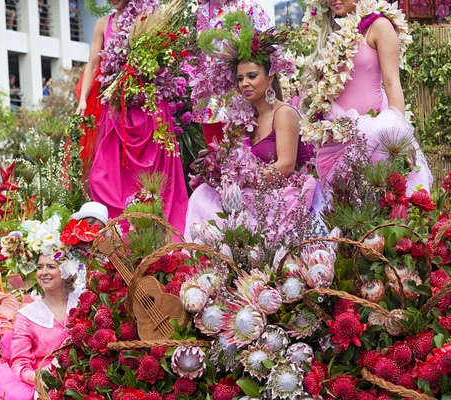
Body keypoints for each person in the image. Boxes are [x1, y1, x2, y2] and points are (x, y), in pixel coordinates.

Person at [185, 12, 322, 240]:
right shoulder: (244, 118)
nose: (244, 84)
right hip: (249, 192)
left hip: (279, 194)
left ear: (269, 77)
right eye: (239, 79)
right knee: (202, 193)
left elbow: (286, 166)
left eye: (251, 76)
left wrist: (242, 180)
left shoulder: (284, 113)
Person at [75, 0, 188, 236]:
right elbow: (93, 64)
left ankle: (157, 234)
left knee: (155, 179)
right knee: (101, 176)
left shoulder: (151, 16)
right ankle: (117, 234)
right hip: (117, 110)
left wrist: (142, 67)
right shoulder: (101, 24)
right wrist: (83, 99)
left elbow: (163, 64)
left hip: (150, 110)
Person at [301, 0, 432, 195]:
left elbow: (392, 83)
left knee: (382, 211)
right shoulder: (331, 33)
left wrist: (398, 140)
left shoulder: (378, 25)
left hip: (374, 137)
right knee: (343, 216)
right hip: (335, 140)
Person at [0, 249, 82, 399]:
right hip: (45, 385)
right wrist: (40, 379)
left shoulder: (83, 302)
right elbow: (19, 363)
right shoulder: (27, 316)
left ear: (66, 271)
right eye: (39, 267)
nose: (43, 272)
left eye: (51, 266)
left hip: (84, 375)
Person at [193, 0, 273, 145]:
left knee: (246, 156)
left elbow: (267, 52)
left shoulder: (248, 6)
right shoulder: (200, 12)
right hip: (208, 101)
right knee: (214, 159)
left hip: (241, 99)